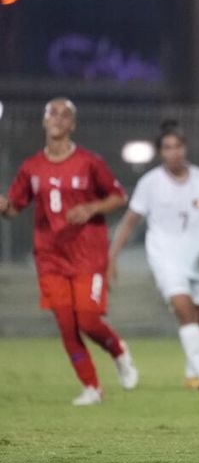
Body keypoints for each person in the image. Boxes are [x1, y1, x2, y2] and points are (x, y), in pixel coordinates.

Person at [0, 97, 138, 405]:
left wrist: (91, 207)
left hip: (88, 254)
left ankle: (119, 351)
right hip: (50, 257)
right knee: (66, 325)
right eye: (53, 113)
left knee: (88, 321)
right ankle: (92, 387)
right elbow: (14, 209)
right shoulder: (31, 167)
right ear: (44, 120)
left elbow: (118, 197)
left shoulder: (90, 163)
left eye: (65, 115)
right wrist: (4, 207)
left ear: (73, 124)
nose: (59, 118)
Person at [108, 120, 199, 392]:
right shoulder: (150, 183)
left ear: (185, 148)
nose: (173, 152)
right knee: (184, 309)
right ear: (160, 152)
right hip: (166, 257)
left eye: (178, 147)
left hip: (198, 257)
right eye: (167, 148)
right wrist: (112, 257)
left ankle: (192, 373)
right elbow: (129, 221)